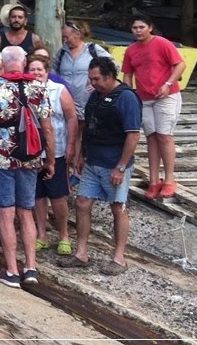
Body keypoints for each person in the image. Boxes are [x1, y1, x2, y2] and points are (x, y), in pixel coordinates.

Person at [0, 46, 55, 288]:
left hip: (3, 158)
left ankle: (11, 270)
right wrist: (50, 159)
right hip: (31, 158)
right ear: (23, 63)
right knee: (26, 211)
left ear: (3, 64)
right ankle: (31, 268)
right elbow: (48, 128)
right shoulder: (39, 88)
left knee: (6, 214)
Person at [59, 57, 142, 275]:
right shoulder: (95, 97)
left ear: (109, 76)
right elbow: (87, 126)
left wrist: (121, 167)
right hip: (93, 161)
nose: (92, 83)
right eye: (91, 79)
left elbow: (133, 135)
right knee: (83, 203)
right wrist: (81, 154)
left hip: (114, 162)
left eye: (96, 79)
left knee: (117, 207)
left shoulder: (126, 98)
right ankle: (81, 253)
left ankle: (119, 258)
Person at [121, 15, 186, 199]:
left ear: (150, 28)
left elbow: (180, 64)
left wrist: (168, 83)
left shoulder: (162, 43)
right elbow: (128, 74)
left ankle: (169, 179)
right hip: (144, 97)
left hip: (166, 95)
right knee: (151, 137)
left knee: (164, 135)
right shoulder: (131, 50)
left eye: (141, 27)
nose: (138, 31)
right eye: (135, 27)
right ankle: (154, 180)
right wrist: (129, 94)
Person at [27, 56, 79, 256]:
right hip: (32, 152)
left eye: (39, 69)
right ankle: (42, 234)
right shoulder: (26, 91)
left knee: (57, 195)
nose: (36, 73)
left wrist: (71, 145)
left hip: (56, 150)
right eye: (32, 69)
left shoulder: (58, 90)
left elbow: (71, 117)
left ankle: (64, 234)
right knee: (38, 195)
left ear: (47, 71)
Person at [55, 19, 113, 123]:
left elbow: (112, 65)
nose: (65, 40)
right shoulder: (62, 53)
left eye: (67, 37)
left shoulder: (93, 49)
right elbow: (53, 72)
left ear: (77, 34)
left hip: (88, 100)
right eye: (63, 37)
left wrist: (99, 83)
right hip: (66, 101)